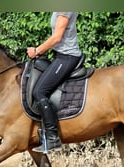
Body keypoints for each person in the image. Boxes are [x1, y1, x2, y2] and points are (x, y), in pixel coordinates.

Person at [27, 12, 82, 154]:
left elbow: (57, 37)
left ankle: (52, 138)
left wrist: (37, 50)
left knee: (39, 91)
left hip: (67, 57)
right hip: (60, 56)